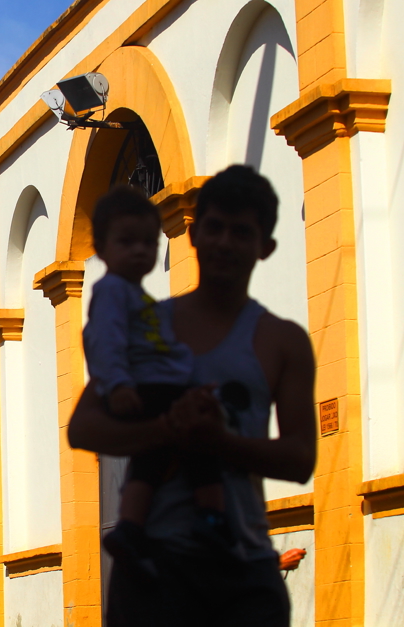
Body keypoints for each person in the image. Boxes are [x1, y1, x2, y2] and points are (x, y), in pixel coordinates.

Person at [69, 165, 317, 627]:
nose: (224, 242)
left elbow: (300, 458)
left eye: (241, 232)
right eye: (214, 227)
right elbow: (84, 426)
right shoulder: (147, 326)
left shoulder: (281, 341)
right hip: (151, 574)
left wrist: (218, 441)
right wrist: (166, 429)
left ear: (265, 247)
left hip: (241, 571)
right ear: (193, 233)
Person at [82, 186, 229, 572]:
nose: (139, 251)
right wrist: (118, 385)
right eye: (126, 241)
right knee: (178, 452)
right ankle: (202, 519)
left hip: (165, 386)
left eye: (149, 242)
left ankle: (135, 526)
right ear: (101, 247)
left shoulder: (141, 299)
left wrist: (195, 381)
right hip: (146, 389)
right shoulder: (112, 291)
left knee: (162, 456)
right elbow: (104, 341)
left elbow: (169, 349)